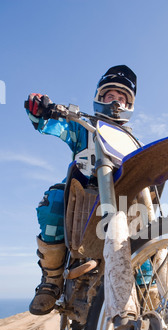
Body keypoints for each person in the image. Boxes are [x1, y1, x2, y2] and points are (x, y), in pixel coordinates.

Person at [26, 65, 137, 316]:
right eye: (111, 96)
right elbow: (54, 125)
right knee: (54, 199)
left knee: (145, 227)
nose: (116, 102)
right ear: (100, 98)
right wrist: (40, 110)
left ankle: (147, 287)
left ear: (129, 105)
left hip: (119, 200)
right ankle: (52, 280)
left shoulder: (132, 142)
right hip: (84, 192)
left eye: (122, 98)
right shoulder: (84, 127)